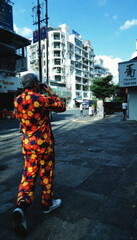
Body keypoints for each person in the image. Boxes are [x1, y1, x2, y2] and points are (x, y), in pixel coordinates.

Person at [12, 73, 66, 237]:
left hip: (27, 144)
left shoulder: (17, 100)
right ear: (36, 84)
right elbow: (61, 107)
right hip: (43, 144)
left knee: (28, 174)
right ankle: (46, 204)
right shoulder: (41, 99)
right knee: (45, 174)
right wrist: (50, 92)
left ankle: (21, 205)